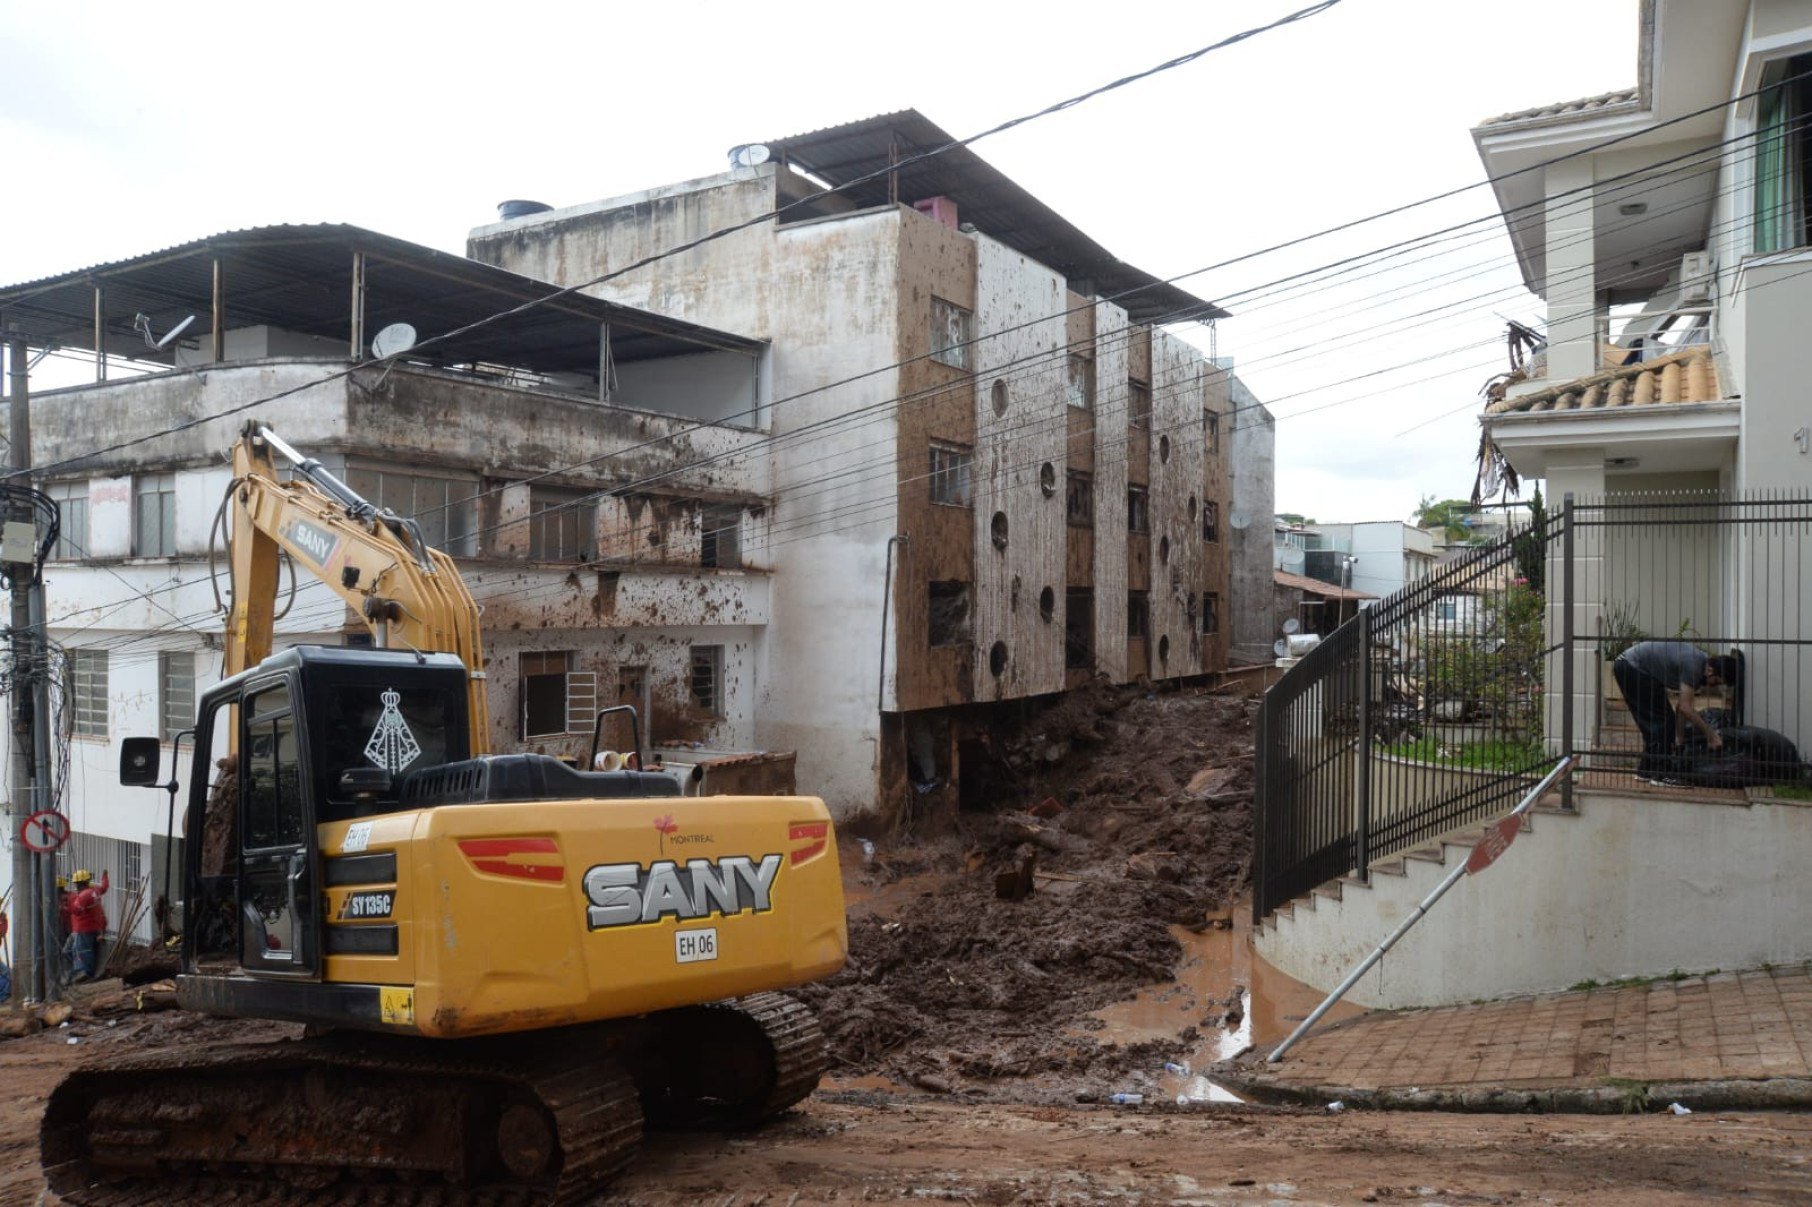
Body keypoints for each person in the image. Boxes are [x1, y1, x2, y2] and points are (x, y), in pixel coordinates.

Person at [1612, 641, 1740, 786]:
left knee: (1661, 721)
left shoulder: (1700, 665)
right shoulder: (1694, 666)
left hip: (1633, 667)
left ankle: (1646, 770)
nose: (1714, 686)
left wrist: (1679, 739)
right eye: (1716, 682)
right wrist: (1711, 735)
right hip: (1632, 667)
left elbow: (1681, 707)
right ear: (1710, 670)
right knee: (1661, 722)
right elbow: (1686, 707)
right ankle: (1662, 774)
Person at [67, 869, 110, 982]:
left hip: (83, 929)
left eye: (76, 884)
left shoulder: (83, 896)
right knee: (69, 951)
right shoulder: (95, 890)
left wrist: (70, 901)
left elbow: (76, 910)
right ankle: (75, 973)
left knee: (83, 951)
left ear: (79, 883)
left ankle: (85, 973)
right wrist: (105, 876)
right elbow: (104, 887)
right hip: (94, 927)